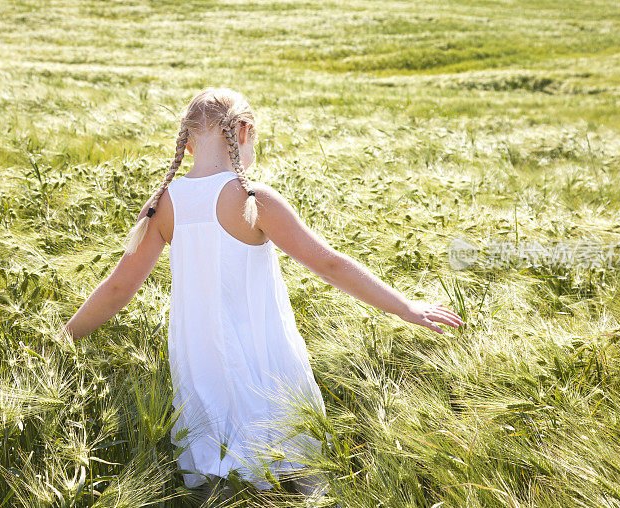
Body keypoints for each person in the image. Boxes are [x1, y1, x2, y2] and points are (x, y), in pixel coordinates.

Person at [62, 87, 464, 501]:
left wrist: (63, 337)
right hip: (266, 359)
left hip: (200, 364)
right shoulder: (254, 199)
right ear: (244, 130)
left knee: (216, 485)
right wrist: (405, 307)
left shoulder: (165, 203)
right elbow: (329, 264)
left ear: (188, 137)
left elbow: (117, 288)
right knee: (306, 479)